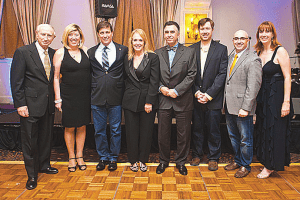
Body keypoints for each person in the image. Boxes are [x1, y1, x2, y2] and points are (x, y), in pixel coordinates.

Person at [10, 24, 58, 190]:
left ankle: (44, 165)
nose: (46, 38)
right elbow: (16, 81)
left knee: (46, 138)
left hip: (48, 104)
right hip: (29, 105)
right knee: (30, 141)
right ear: (36, 34)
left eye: (49, 35)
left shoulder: (54, 53)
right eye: (43, 34)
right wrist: (20, 104)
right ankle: (31, 175)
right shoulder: (23, 52)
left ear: (53, 38)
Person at [155, 21, 197, 176]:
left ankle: (181, 162)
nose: (169, 35)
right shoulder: (157, 53)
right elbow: (154, 76)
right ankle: (163, 161)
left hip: (183, 100)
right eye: (166, 32)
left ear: (178, 34)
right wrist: (161, 88)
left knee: (183, 135)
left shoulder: (189, 52)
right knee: (163, 135)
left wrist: (177, 91)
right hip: (164, 100)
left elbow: (192, 74)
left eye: (172, 32)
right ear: (164, 34)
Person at [254, 21, 293, 178]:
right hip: (263, 97)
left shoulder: (280, 51)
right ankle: (267, 162)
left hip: (277, 97)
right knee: (264, 130)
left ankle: (271, 166)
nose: (264, 34)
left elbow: (288, 77)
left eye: (267, 31)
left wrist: (286, 102)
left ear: (272, 34)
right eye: (261, 32)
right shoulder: (257, 52)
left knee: (275, 130)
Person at [88, 21, 128, 171]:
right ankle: (103, 157)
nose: (105, 35)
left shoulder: (122, 50)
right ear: (98, 34)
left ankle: (113, 158)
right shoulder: (91, 52)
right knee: (99, 130)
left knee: (116, 129)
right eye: (102, 33)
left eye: (107, 32)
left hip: (116, 96)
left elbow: (126, 73)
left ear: (112, 33)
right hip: (96, 96)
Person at [190, 18, 228, 171]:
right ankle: (197, 154)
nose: (204, 31)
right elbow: (188, 74)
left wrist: (209, 94)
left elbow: (222, 74)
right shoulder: (191, 49)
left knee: (214, 129)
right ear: (198, 31)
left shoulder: (221, 49)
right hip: (196, 97)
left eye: (207, 28)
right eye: (201, 29)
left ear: (212, 30)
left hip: (213, 98)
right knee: (197, 128)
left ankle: (213, 157)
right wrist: (197, 93)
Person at [224, 30, 262, 178]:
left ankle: (245, 165)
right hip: (229, 105)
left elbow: (254, 86)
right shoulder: (231, 56)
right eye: (236, 38)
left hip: (243, 107)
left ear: (248, 40)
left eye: (242, 38)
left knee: (246, 139)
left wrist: (246, 108)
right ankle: (238, 160)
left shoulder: (253, 59)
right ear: (233, 40)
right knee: (234, 137)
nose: (239, 41)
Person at [53, 24, 91, 172]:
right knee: (69, 126)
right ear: (66, 37)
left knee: (82, 125)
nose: (74, 38)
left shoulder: (86, 51)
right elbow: (56, 78)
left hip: (84, 95)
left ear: (80, 37)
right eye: (71, 35)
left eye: (77, 35)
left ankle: (80, 156)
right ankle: (71, 157)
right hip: (68, 95)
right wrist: (58, 98)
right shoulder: (60, 53)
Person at [122, 29, 160, 172]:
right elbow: (124, 79)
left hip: (147, 101)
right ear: (131, 42)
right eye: (135, 40)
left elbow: (154, 81)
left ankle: (143, 160)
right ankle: (133, 161)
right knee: (131, 133)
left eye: (140, 40)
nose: (137, 43)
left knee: (146, 132)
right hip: (130, 101)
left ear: (144, 42)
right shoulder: (126, 58)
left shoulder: (152, 57)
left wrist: (149, 101)